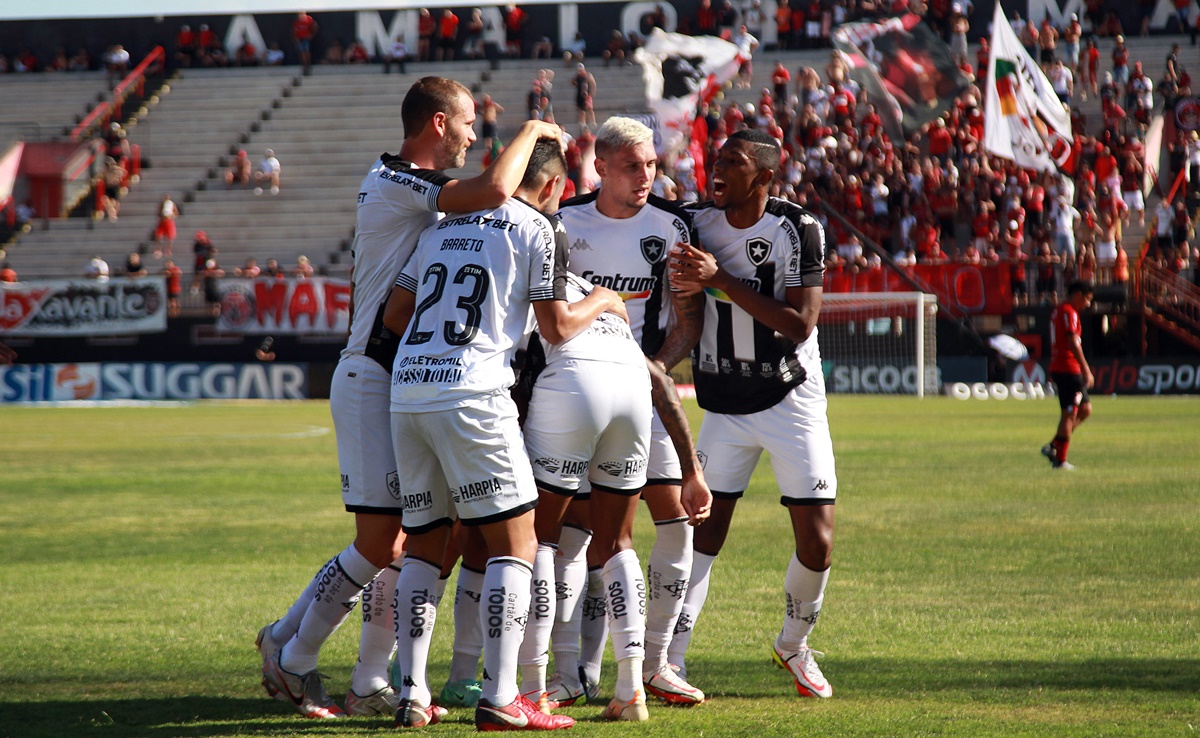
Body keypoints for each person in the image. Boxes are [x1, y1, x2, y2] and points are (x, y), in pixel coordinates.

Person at [256, 76, 563, 722]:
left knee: (407, 541)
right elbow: (498, 191)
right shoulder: (400, 179)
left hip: (399, 376)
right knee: (382, 542)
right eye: (469, 122)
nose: (475, 135)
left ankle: (331, 661)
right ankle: (296, 654)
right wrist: (535, 131)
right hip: (375, 370)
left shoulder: (411, 195)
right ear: (437, 124)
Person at [380, 137, 589, 731]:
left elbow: (395, 316)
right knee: (516, 544)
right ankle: (501, 697)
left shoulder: (441, 224)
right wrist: (599, 300)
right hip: (474, 394)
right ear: (551, 186)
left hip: (409, 389)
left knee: (423, 542)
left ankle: (414, 694)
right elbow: (555, 328)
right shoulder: (537, 229)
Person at [668, 129, 838, 701]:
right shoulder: (693, 223)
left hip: (790, 397)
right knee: (703, 533)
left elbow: (799, 324)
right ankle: (670, 656)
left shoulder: (798, 228)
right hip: (724, 403)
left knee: (818, 542)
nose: (717, 169)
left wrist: (719, 278)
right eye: (716, 159)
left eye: (733, 163)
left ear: (764, 177)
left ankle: (793, 643)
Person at [549, 116, 708, 708]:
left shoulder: (673, 227)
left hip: (645, 392)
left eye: (652, 166)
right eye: (634, 166)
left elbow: (687, 325)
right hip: (575, 392)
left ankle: (659, 661)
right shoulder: (564, 223)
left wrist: (651, 368)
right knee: (573, 531)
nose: (647, 177)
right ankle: (569, 672)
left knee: (674, 519)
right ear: (604, 168)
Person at [514, 265, 712, 721]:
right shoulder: (598, 294)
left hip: (571, 385)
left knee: (540, 539)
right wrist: (692, 471)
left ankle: (532, 688)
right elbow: (660, 380)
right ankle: (630, 690)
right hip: (632, 388)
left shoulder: (523, 275)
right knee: (618, 543)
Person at [1041, 280, 1095, 471]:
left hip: (1062, 367)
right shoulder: (1069, 312)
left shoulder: (1059, 310)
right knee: (1069, 413)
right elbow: (1073, 342)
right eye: (1087, 299)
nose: (1088, 304)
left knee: (1085, 409)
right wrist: (1086, 369)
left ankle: (1054, 445)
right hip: (1068, 368)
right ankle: (1060, 459)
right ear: (1078, 295)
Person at [572, 63, 597, 133]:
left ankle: (592, 121)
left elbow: (593, 84)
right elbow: (573, 82)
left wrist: (591, 94)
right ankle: (582, 122)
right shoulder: (577, 77)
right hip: (580, 95)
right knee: (581, 110)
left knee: (589, 109)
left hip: (587, 95)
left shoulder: (588, 76)